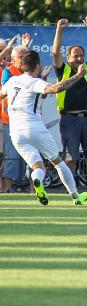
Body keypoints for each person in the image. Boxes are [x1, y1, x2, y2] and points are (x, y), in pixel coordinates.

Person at [1, 51, 87, 205]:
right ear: (38, 65)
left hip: (16, 132)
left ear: (22, 66)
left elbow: (2, 95)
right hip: (34, 128)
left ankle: (36, 181)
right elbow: (56, 88)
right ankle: (76, 197)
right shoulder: (34, 81)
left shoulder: (12, 81)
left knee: (38, 166)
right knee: (58, 162)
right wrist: (78, 76)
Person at [52, 17, 87, 194]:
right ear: (69, 58)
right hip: (69, 119)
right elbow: (55, 52)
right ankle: (72, 189)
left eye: (81, 55)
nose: (79, 59)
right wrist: (59, 30)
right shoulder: (63, 70)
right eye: (76, 56)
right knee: (70, 158)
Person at [1, 35, 33, 192]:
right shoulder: (8, 72)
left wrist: (26, 46)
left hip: (30, 121)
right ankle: (6, 190)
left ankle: (36, 190)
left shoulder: (32, 71)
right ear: (13, 60)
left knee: (33, 156)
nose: (25, 59)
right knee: (12, 157)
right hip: (10, 122)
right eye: (22, 57)